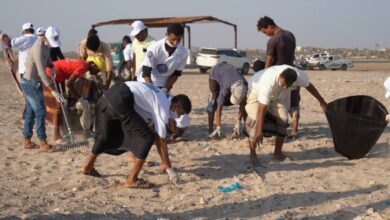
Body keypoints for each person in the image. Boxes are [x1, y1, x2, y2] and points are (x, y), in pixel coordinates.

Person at [83, 81, 192, 188]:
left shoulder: (159, 96)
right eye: (180, 113)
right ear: (176, 105)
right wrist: (170, 169)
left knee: (104, 136)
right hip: (122, 97)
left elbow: (141, 122)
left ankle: (88, 167)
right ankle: (132, 179)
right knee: (147, 138)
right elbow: (160, 140)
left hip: (108, 95)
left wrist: (164, 162)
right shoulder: (163, 107)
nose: (177, 117)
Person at [245, 65, 327, 166]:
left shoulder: (299, 76)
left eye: (288, 86)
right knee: (255, 120)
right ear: (280, 76)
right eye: (284, 84)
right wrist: (259, 130)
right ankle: (252, 154)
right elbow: (262, 109)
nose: (286, 87)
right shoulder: (267, 83)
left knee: (283, 120)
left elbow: (309, 86)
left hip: (279, 95)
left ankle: (277, 153)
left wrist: (322, 101)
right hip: (256, 91)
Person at [20, 26, 63, 152]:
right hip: (30, 82)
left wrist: (52, 66)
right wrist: (53, 90)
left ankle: (27, 140)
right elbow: (41, 72)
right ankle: (43, 142)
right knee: (40, 111)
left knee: (31, 111)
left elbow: (48, 60)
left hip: (35, 82)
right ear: (45, 38)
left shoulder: (46, 46)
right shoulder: (38, 48)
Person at [257, 16, 300, 139]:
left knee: (276, 105)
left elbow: (269, 61)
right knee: (293, 101)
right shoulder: (291, 36)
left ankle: (277, 133)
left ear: (270, 26)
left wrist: (263, 76)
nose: (266, 35)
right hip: (292, 73)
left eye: (265, 32)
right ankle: (295, 130)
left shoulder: (273, 40)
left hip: (279, 77)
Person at [44, 59, 101, 142]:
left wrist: (63, 92)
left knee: (63, 103)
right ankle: (56, 136)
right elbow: (69, 84)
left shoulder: (81, 65)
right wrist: (79, 98)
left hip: (53, 73)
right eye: (97, 70)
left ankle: (63, 133)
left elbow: (62, 76)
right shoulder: (83, 67)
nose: (97, 72)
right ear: (93, 64)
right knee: (58, 107)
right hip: (49, 74)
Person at [139, 23, 188, 93]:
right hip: (148, 81)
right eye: (173, 39)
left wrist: (165, 89)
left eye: (179, 39)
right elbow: (146, 72)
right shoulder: (154, 48)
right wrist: (152, 90)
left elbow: (176, 74)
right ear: (166, 35)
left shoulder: (183, 53)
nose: (175, 42)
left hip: (165, 84)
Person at [207, 63, 248, 138]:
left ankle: (246, 128)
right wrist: (218, 127)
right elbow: (219, 107)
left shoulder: (245, 85)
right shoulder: (226, 88)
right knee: (213, 101)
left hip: (227, 71)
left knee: (246, 105)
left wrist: (238, 122)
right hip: (215, 74)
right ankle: (210, 129)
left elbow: (243, 104)